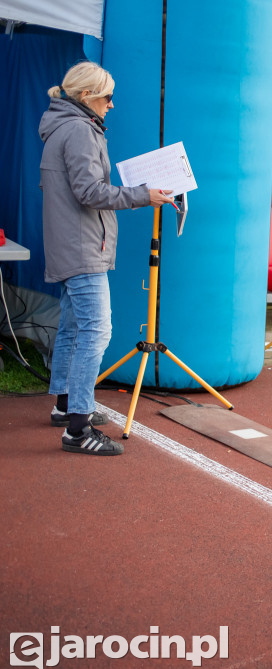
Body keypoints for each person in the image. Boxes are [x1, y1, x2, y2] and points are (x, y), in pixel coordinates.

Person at [39, 61, 173, 456]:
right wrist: (141, 195)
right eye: (107, 97)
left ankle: (65, 406)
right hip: (81, 248)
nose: (112, 105)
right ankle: (78, 430)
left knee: (73, 327)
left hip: (71, 244)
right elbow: (90, 192)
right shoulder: (80, 130)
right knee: (96, 331)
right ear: (85, 97)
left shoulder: (63, 125)